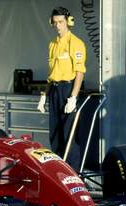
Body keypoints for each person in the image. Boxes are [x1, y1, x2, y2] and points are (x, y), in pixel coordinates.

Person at [38, 6, 86, 169]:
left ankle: (73, 174)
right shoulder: (52, 44)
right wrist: (44, 95)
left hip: (69, 90)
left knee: (69, 135)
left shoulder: (76, 43)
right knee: (55, 134)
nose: (57, 25)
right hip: (54, 91)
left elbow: (79, 73)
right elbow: (52, 72)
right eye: (55, 22)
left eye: (60, 22)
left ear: (68, 22)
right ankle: (59, 171)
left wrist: (73, 97)